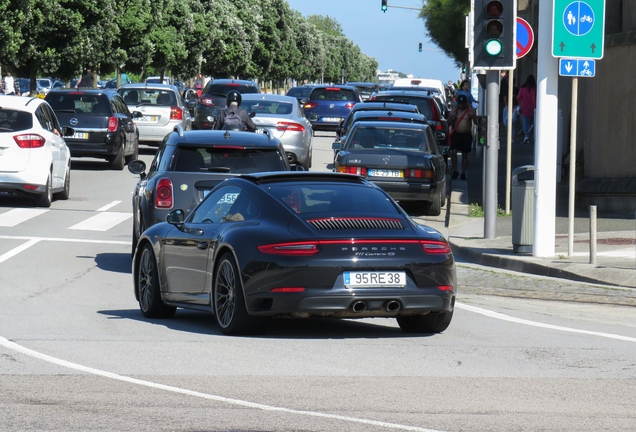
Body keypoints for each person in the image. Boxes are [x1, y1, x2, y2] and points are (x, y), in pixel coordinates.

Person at [447, 94, 477, 180]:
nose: (461, 106)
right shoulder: (455, 111)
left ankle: (463, 172)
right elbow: (449, 122)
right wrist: (453, 114)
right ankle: (455, 170)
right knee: (454, 152)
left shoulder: (469, 111)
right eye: (460, 104)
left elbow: (475, 121)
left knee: (465, 154)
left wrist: (472, 112)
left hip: (466, 135)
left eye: (463, 104)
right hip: (456, 134)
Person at [516, 74, 537, 144]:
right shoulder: (534, 89)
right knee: (531, 124)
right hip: (532, 108)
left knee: (525, 123)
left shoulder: (522, 88)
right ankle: (529, 136)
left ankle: (526, 136)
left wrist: (522, 100)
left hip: (524, 108)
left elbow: (518, 98)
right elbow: (535, 100)